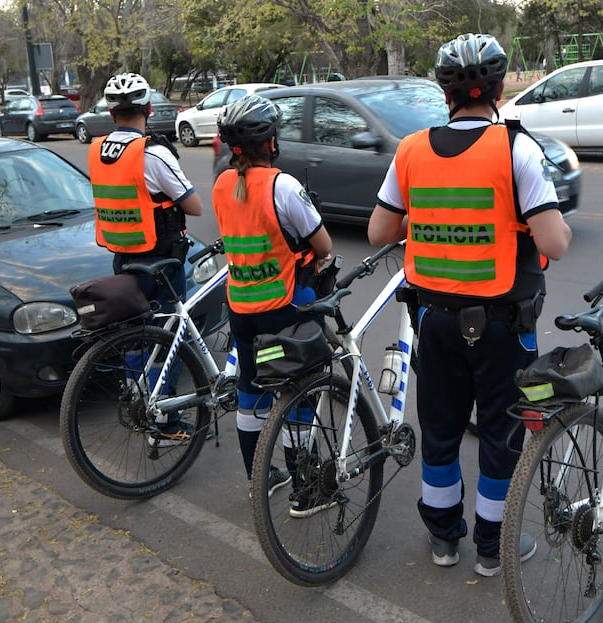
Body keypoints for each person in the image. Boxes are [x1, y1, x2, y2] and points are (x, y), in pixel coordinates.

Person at [367, 33, 572, 577]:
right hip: (503, 327)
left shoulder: (410, 150)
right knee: (502, 436)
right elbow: (554, 244)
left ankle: (443, 541)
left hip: (433, 322)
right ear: (500, 89)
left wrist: (437, 220)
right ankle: (491, 549)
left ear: (445, 92)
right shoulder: (516, 148)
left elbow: (378, 230)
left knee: (440, 431)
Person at [212, 95, 333, 510]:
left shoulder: (222, 184)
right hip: (286, 309)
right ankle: (305, 491)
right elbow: (323, 244)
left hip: (242, 307)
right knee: (298, 394)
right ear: (272, 142)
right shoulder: (282, 185)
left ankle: (259, 478)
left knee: (251, 395)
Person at [88, 72, 203, 442]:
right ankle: (164, 421)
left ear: (111, 113)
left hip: (122, 258)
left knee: (135, 337)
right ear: (149, 109)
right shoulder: (151, 154)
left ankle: (139, 405)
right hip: (161, 263)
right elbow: (195, 206)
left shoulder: (98, 150)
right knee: (164, 340)